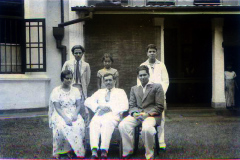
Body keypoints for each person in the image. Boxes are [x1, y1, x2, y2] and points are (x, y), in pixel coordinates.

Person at [119, 65, 164, 159]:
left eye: (144, 75)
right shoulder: (134, 89)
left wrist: (147, 114)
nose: (142, 77)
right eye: (140, 75)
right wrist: (134, 113)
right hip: (138, 115)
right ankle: (128, 151)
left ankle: (149, 154)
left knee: (146, 128)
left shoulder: (157, 87)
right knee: (123, 125)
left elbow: (159, 106)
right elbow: (132, 105)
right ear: (138, 76)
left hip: (152, 115)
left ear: (148, 75)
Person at [84, 73, 128, 159]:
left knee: (107, 123)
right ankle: (94, 150)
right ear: (103, 82)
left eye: (110, 80)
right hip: (100, 113)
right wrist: (98, 107)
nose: (108, 82)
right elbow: (87, 101)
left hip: (113, 115)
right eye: (106, 80)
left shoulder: (120, 91)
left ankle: (104, 150)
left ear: (114, 81)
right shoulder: (100, 92)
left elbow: (125, 105)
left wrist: (110, 108)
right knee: (94, 123)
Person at [138, 44, 169, 150]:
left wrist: (161, 93)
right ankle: (147, 141)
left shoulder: (161, 65)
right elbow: (139, 82)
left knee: (161, 118)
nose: (152, 53)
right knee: (146, 118)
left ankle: (161, 142)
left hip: (159, 96)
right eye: (150, 51)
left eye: (153, 51)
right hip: (147, 97)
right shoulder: (143, 65)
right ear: (147, 53)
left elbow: (165, 81)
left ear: (156, 53)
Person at [48, 70, 85, 159]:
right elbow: (57, 107)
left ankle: (72, 149)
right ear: (62, 79)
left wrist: (75, 114)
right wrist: (65, 118)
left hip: (73, 111)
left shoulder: (75, 90)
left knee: (78, 124)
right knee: (61, 125)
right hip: (61, 113)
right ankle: (59, 150)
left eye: (70, 78)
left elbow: (78, 105)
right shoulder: (56, 91)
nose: (69, 80)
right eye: (67, 78)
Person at [62, 45, 91, 125]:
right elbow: (63, 75)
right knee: (71, 104)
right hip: (71, 86)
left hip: (80, 87)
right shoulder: (68, 63)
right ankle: (70, 121)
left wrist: (83, 87)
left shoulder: (86, 65)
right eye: (76, 53)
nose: (78, 54)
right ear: (73, 54)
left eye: (80, 53)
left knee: (82, 105)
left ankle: (83, 123)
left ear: (82, 54)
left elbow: (88, 78)